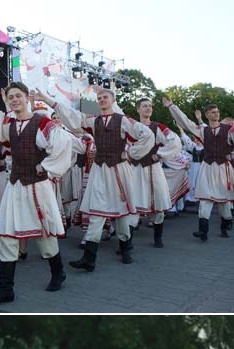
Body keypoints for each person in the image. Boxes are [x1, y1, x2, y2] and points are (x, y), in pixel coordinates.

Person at [0, 74, 73, 306]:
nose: (14, 100)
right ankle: (5, 289)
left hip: (37, 186)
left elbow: (64, 143)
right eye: (11, 97)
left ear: (26, 98)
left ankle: (58, 272)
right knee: (7, 234)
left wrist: (46, 167)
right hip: (16, 185)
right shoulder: (8, 124)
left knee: (44, 234)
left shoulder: (42, 122)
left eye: (18, 96)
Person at [62, 85, 155, 273]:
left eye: (105, 97)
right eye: (100, 98)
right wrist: (48, 101)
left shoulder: (123, 121)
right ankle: (89, 258)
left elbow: (147, 135)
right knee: (96, 212)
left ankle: (126, 249)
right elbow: (72, 116)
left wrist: (130, 154)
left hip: (118, 171)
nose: (102, 99)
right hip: (99, 170)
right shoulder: (93, 121)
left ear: (113, 100)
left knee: (121, 214)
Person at [163, 97, 234, 240]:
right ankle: (203, 231)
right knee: (205, 198)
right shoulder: (203, 131)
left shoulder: (228, 130)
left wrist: (231, 154)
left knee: (224, 200)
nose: (216, 114)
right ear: (207, 115)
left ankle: (226, 224)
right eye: (213, 112)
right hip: (207, 167)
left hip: (223, 168)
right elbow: (186, 122)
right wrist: (171, 106)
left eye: (217, 112)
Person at [129, 99, 181, 246]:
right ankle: (127, 244)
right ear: (138, 109)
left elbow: (175, 141)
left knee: (158, 202)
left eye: (150, 106)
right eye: (145, 106)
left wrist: (161, 153)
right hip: (135, 169)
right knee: (134, 204)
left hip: (153, 168)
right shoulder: (132, 126)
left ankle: (158, 238)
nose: (148, 108)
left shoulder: (157, 126)